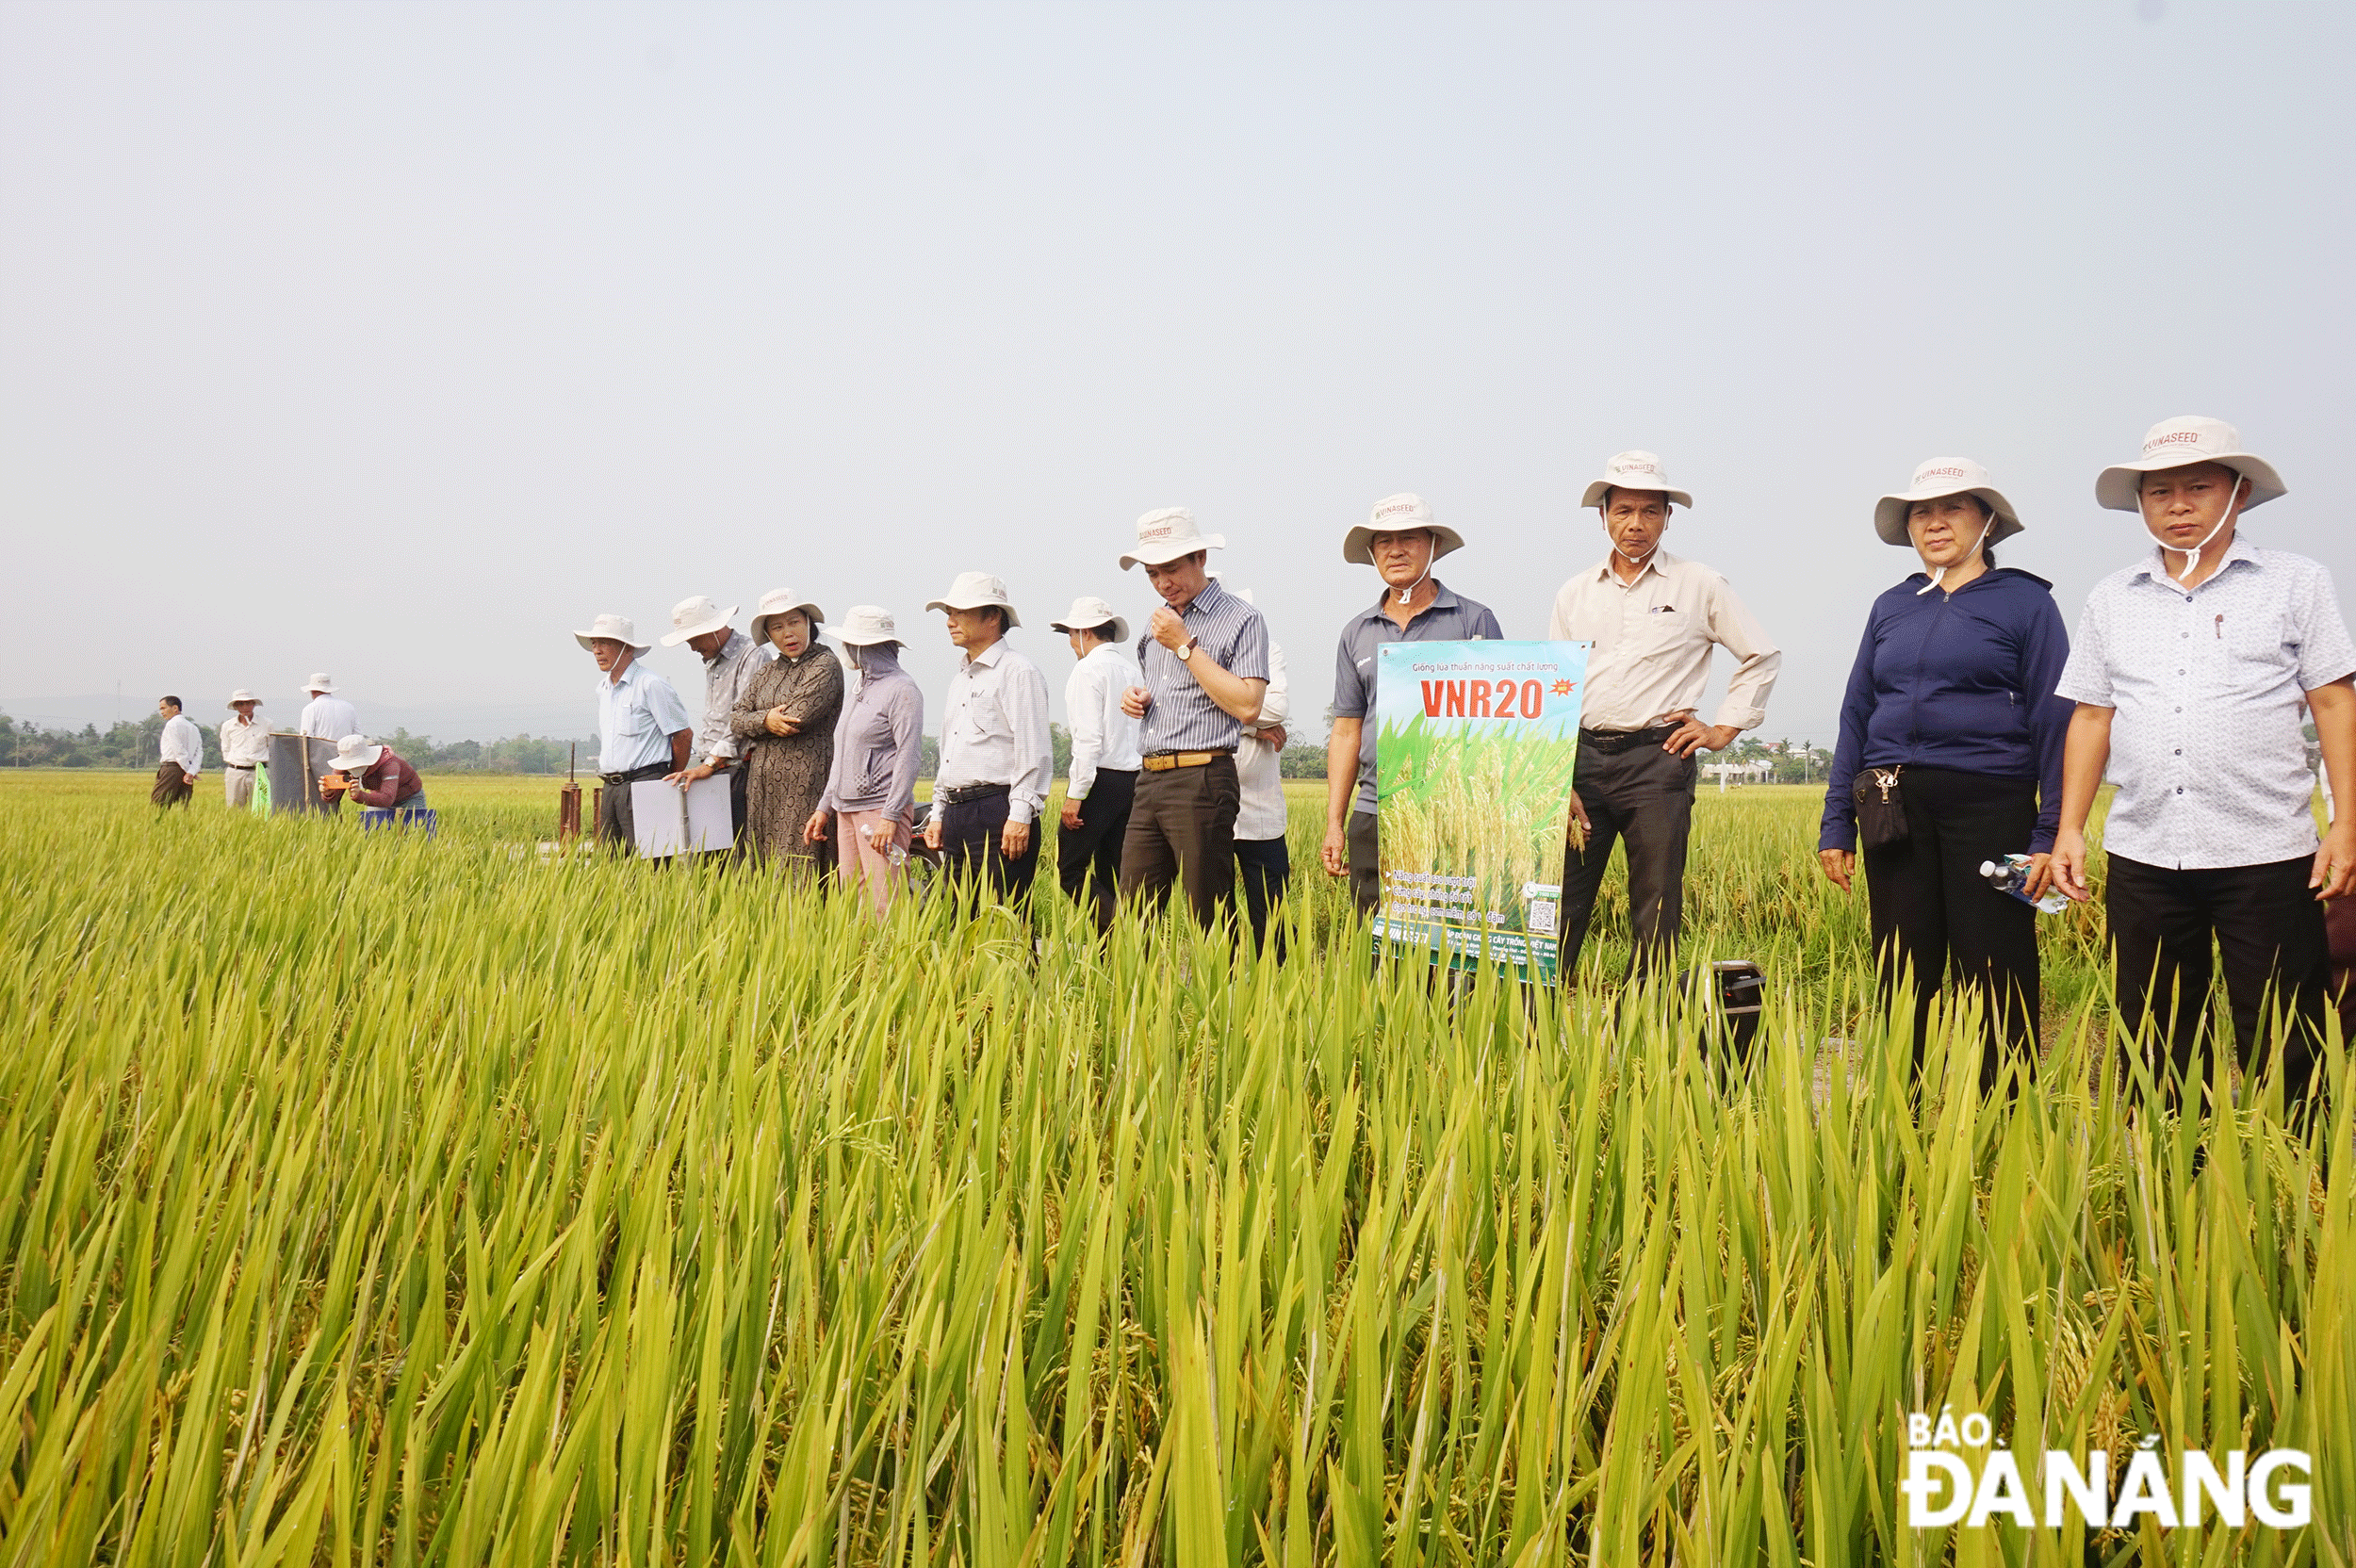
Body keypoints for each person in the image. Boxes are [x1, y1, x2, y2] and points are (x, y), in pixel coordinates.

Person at [2051, 416, 2356, 1112]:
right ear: (2141, 503)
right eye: (2160, 492)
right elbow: (2092, 716)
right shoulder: (2111, 597)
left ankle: (2295, 1182)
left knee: (2284, 1032)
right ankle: (2171, 1179)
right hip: (2146, 850)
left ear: (2239, 494)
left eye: (2198, 487)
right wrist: (2070, 829)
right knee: (2155, 1033)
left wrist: (2346, 825)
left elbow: (2335, 703)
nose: (2178, 505)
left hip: (2268, 851)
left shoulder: (2295, 583)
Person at [1817, 458, 2071, 1090]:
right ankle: (1899, 1110)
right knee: (1903, 962)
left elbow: (2057, 722)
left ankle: (2006, 1114)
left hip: (1993, 803)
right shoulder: (1891, 606)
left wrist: (2049, 833)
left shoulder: (2026, 604)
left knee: (1997, 960)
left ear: (1985, 521)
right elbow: (1857, 713)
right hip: (1892, 805)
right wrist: (1835, 823)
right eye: (1921, 512)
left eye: (1951, 508)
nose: (1934, 523)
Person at [1549, 451, 1780, 985]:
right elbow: (1556, 686)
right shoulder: (1575, 592)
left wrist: (1723, 728)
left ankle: (1645, 1023)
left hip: (1658, 761)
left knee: (1655, 903)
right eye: (1624, 509)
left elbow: (1760, 655)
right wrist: (1557, 775)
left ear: (1668, 517)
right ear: (1603, 514)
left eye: (1650, 511)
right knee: (1561, 897)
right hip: (1582, 761)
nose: (1636, 524)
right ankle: (1536, 1019)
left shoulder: (1699, 584)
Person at [1318, 494, 1504, 917]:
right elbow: (1347, 730)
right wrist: (1335, 821)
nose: (1396, 550)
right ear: (1372, 552)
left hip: (1450, 813)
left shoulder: (1472, 621)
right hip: (1374, 810)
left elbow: (1497, 721)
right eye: (1384, 541)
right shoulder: (1357, 632)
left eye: (1409, 538)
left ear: (1433, 546)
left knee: (1449, 946)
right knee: (1374, 940)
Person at [1115, 508, 1269, 928]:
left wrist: (1184, 645)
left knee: (1209, 912)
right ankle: (1137, 993)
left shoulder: (1241, 619)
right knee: (1133, 912)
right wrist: (1139, 701)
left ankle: (1230, 991)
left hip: (1202, 778)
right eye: (1152, 573)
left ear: (1200, 557)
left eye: (1171, 569)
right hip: (1148, 779)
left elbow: (1248, 704)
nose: (1163, 582)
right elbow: (1170, 692)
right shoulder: (1154, 629)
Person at [924, 573, 1053, 913]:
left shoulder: (1017, 672)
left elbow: (1033, 750)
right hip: (956, 811)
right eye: (948, 613)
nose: (950, 622)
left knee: (1004, 922)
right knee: (957, 920)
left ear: (993, 616)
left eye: (960, 612)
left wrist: (1020, 815)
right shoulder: (961, 679)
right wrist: (938, 813)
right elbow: (948, 754)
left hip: (997, 811)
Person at [809, 606, 925, 919]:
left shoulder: (902, 689)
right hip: (847, 809)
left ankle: (892, 966)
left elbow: (909, 756)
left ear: (862, 646)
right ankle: (860, 965)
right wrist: (824, 807)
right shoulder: (860, 688)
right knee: (853, 898)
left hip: (879, 809)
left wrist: (890, 815)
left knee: (885, 898)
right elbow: (843, 753)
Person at [726, 589, 843, 871]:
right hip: (762, 789)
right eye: (777, 627)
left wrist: (757, 720)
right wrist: (766, 720)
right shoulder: (767, 671)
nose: (788, 633)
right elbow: (736, 718)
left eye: (794, 623)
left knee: (801, 863)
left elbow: (797, 718)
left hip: (806, 784)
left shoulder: (824, 664)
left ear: (808, 624)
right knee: (763, 864)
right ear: (768, 634)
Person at [1048, 596, 1142, 935]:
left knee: (1068, 869)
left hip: (1099, 781)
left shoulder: (1087, 670)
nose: (1072, 645)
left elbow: (1088, 740)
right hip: (1134, 782)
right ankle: (1117, 955)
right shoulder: (1133, 670)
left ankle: (1121, 925)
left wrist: (1076, 794)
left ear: (1085, 633)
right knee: (1113, 872)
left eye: (1072, 635)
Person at [576, 612, 694, 852]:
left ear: (627, 649)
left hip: (645, 783)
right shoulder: (603, 689)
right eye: (594, 643)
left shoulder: (650, 684)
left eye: (605, 643)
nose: (597, 650)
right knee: (612, 862)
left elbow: (683, 734)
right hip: (611, 788)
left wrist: (667, 779)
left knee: (651, 862)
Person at [662, 595, 773, 842]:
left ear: (713, 629)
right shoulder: (713, 661)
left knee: (736, 851)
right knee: (710, 852)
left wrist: (710, 764)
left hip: (737, 768)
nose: (692, 648)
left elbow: (741, 722)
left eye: (695, 639)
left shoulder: (751, 656)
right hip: (713, 767)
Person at [1227, 589, 1293, 958]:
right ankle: (1225, 986)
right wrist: (1251, 725)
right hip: (1209, 803)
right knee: (1215, 910)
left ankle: (1281, 988)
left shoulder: (1269, 650)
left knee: (1271, 909)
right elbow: (1184, 716)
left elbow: (1276, 708)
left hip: (1260, 809)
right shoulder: (1193, 657)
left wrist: (1249, 718)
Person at [319, 734, 428, 816]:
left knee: (416, 832)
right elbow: (334, 797)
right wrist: (328, 793)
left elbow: (387, 798)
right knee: (376, 832)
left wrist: (359, 795)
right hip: (377, 796)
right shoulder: (342, 768)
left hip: (409, 797)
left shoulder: (389, 764)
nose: (353, 768)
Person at [220, 690, 270, 808]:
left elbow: (271, 747)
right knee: (233, 810)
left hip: (259, 771)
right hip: (235, 772)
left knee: (261, 810)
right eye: (241, 704)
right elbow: (225, 748)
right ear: (236, 706)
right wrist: (236, 761)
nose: (245, 707)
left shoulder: (266, 724)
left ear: (254, 704)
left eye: (249, 703)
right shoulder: (228, 726)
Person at [153, 695, 202, 808]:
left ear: (175, 708)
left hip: (172, 769)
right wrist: (191, 772)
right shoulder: (193, 727)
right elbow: (199, 752)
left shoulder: (172, 725)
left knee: (158, 805)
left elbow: (178, 750)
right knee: (182, 806)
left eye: (163, 708)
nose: (162, 712)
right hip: (187, 770)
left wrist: (189, 771)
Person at [298, 675, 357, 742]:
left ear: (312, 691)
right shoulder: (349, 707)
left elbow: (306, 738)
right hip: (346, 750)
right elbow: (357, 735)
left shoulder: (310, 709)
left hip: (321, 751)